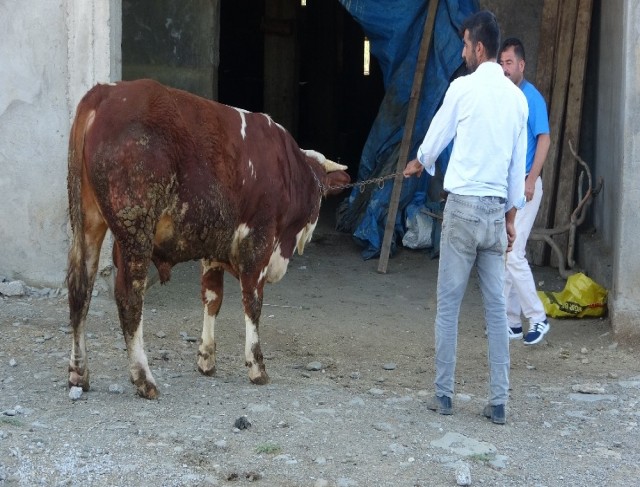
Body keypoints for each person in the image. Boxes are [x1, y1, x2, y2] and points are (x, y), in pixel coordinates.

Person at [403, 10, 527, 425]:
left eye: (464, 45)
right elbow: (516, 169)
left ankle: (443, 395)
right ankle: (498, 403)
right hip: (495, 214)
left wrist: (420, 160)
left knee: (449, 306)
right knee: (495, 311)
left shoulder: (462, 88)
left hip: (461, 212)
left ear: (478, 48)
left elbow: (436, 136)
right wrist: (511, 219)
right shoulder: (517, 99)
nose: (462, 52)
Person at [499, 38, 551, 345]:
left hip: (527, 187)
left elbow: (544, 140)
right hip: (511, 188)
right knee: (510, 253)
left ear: (522, 65)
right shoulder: (507, 97)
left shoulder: (532, 98)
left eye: (509, 63)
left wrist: (531, 180)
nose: (505, 69)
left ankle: (538, 317)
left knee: (513, 254)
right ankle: (512, 322)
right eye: (501, 63)